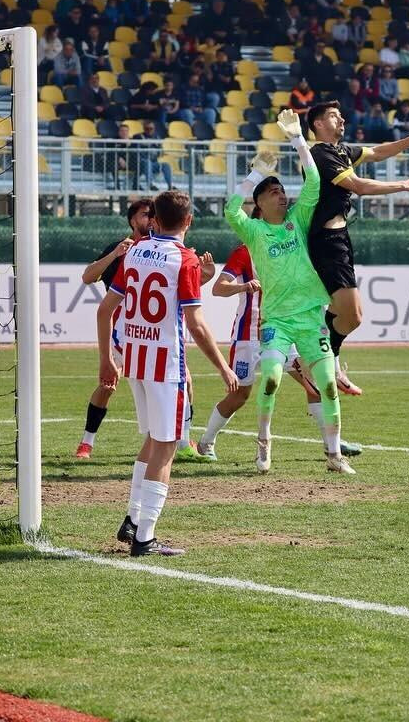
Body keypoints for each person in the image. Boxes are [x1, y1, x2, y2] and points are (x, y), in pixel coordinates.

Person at [97, 191, 236, 556]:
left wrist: (105, 359)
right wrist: (223, 367)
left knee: (153, 441)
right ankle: (145, 537)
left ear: (154, 219)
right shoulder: (185, 259)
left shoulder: (135, 251)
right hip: (165, 365)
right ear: (189, 221)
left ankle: (132, 520)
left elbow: (105, 310)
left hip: (136, 360)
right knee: (167, 446)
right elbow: (195, 322)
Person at [226, 113, 355, 475]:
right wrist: (254, 174)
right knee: (270, 377)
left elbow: (313, 179)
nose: (281, 195)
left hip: (311, 317)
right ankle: (263, 445)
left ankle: (334, 456)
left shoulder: (297, 219)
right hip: (278, 321)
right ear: (260, 204)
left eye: (281, 190)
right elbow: (229, 209)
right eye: (272, 192)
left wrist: (299, 139)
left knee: (328, 385)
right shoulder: (252, 231)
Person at [307, 102, 409, 396]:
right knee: (350, 314)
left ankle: (326, 360)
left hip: (340, 237)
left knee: (350, 316)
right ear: (317, 124)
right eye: (332, 115)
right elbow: (358, 185)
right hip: (325, 241)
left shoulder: (342, 151)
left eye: (340, 114)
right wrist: (406, 185)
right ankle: (318, 362)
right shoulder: (320, 153)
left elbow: (378, 152)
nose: (341, 118)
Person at [195, 237, 364, 461]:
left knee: (313, 385)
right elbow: (219, 289)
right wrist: (244, 286)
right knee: (239, 395)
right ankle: (206, 442)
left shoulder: (288, 249)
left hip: (283, 332)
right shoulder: (244, 253)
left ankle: (332, 444)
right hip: (249, 337)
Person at [75, 199, 155, 460]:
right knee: (108, 384)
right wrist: (115, 254)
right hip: (121, 329)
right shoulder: (123, 247)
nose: (150, 220)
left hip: (151, 330)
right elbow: (87, 277)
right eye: (145, 215)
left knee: (184, 380)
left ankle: (182, 440)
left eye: (154, 215)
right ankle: (87, 442)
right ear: (133, 220)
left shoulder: (160, 247)